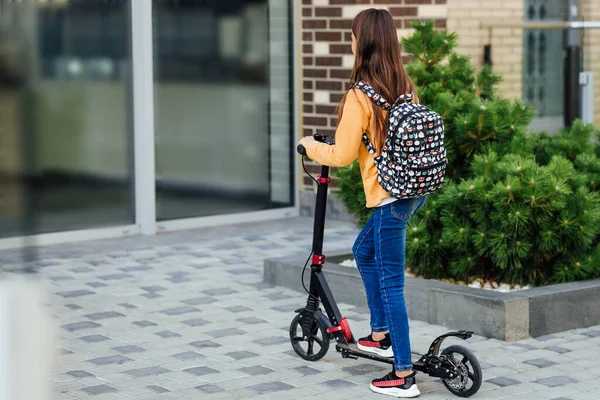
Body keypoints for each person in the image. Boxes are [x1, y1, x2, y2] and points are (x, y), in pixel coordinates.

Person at [298, 8, 426, 399]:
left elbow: (341, 154)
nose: (350, 42)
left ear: (364, 42)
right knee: (362, 251)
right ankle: (380, 334)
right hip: (412, 192)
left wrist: (309, 145)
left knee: (391, 286)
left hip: (388, 199)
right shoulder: (404, 84)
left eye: (353, 36)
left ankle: (403, 374)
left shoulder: (359, 95)